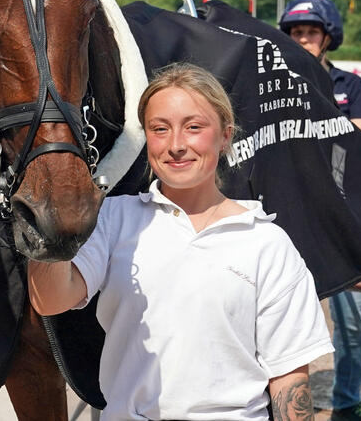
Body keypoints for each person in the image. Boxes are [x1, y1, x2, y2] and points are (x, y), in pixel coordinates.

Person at [28, 62, 333, 421]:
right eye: (160, 129)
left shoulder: (266, 243)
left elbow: (288, 381)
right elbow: (49, 300)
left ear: (225, 135)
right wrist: (49, 217)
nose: (176, 145)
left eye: (194, 127)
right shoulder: (113, 219)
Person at [280, 0, 361, 421]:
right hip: (288, 216)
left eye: (310, 32)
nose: (302, 39)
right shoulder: (275, 85)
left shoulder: (348, 86)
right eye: (296, 32)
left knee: (352, 318)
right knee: (275, 314)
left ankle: (346, 401)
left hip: (338, 218)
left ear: (327, 37)